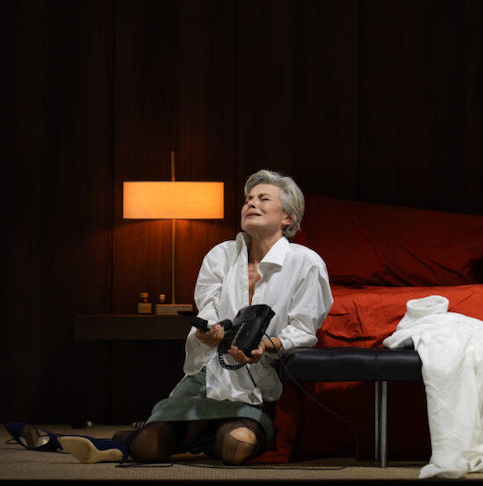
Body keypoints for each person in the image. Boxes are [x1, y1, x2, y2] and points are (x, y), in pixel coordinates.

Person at [64, 169, 332, 465]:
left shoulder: (306, 263)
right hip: (211, 375)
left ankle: (186, 437)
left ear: (288, 218)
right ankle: (135, 439)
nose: (251, 203)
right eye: (248, 199)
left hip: (256, 384)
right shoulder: (220, 255)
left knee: (235, 447)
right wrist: (208, 335)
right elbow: (208, 312)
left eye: (263, 198)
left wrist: (266, 345)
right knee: (146, 449)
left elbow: (304, 330)